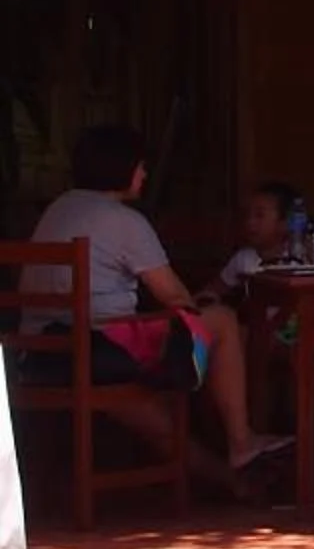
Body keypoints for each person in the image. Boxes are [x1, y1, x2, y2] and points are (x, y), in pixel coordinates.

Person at [24, 125, 290, 487]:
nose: (145, 174)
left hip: (46, 356)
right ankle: (242, 441)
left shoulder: (57, 208)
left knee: (159, 414)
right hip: (102, 352)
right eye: (141, 166)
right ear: (123, 168)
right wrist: (198, 306)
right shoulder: (124, 220)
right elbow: (177, 298)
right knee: (223, 323)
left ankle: (231, 483)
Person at [213, 180, 300, 297]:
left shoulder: (299, 260)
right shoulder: (243, 259)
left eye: (259, 215)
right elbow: (214, 291)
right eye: (248, 215)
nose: (250, 222)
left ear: (284, 222)